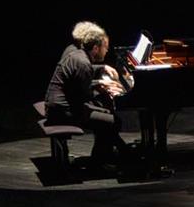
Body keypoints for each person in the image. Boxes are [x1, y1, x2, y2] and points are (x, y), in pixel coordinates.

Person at [44, 21, 131, 167]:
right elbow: (85, 96)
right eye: (105, 47)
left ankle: (111, 155)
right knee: (112, 121)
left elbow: (78, 81)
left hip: (57, 103)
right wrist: (104, 88)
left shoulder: (74, 50)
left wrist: (102, 69)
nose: (107, 51)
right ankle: (100, 162)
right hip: (62, 110)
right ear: (96, 48)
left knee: (107, 113)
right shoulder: (83, 63)